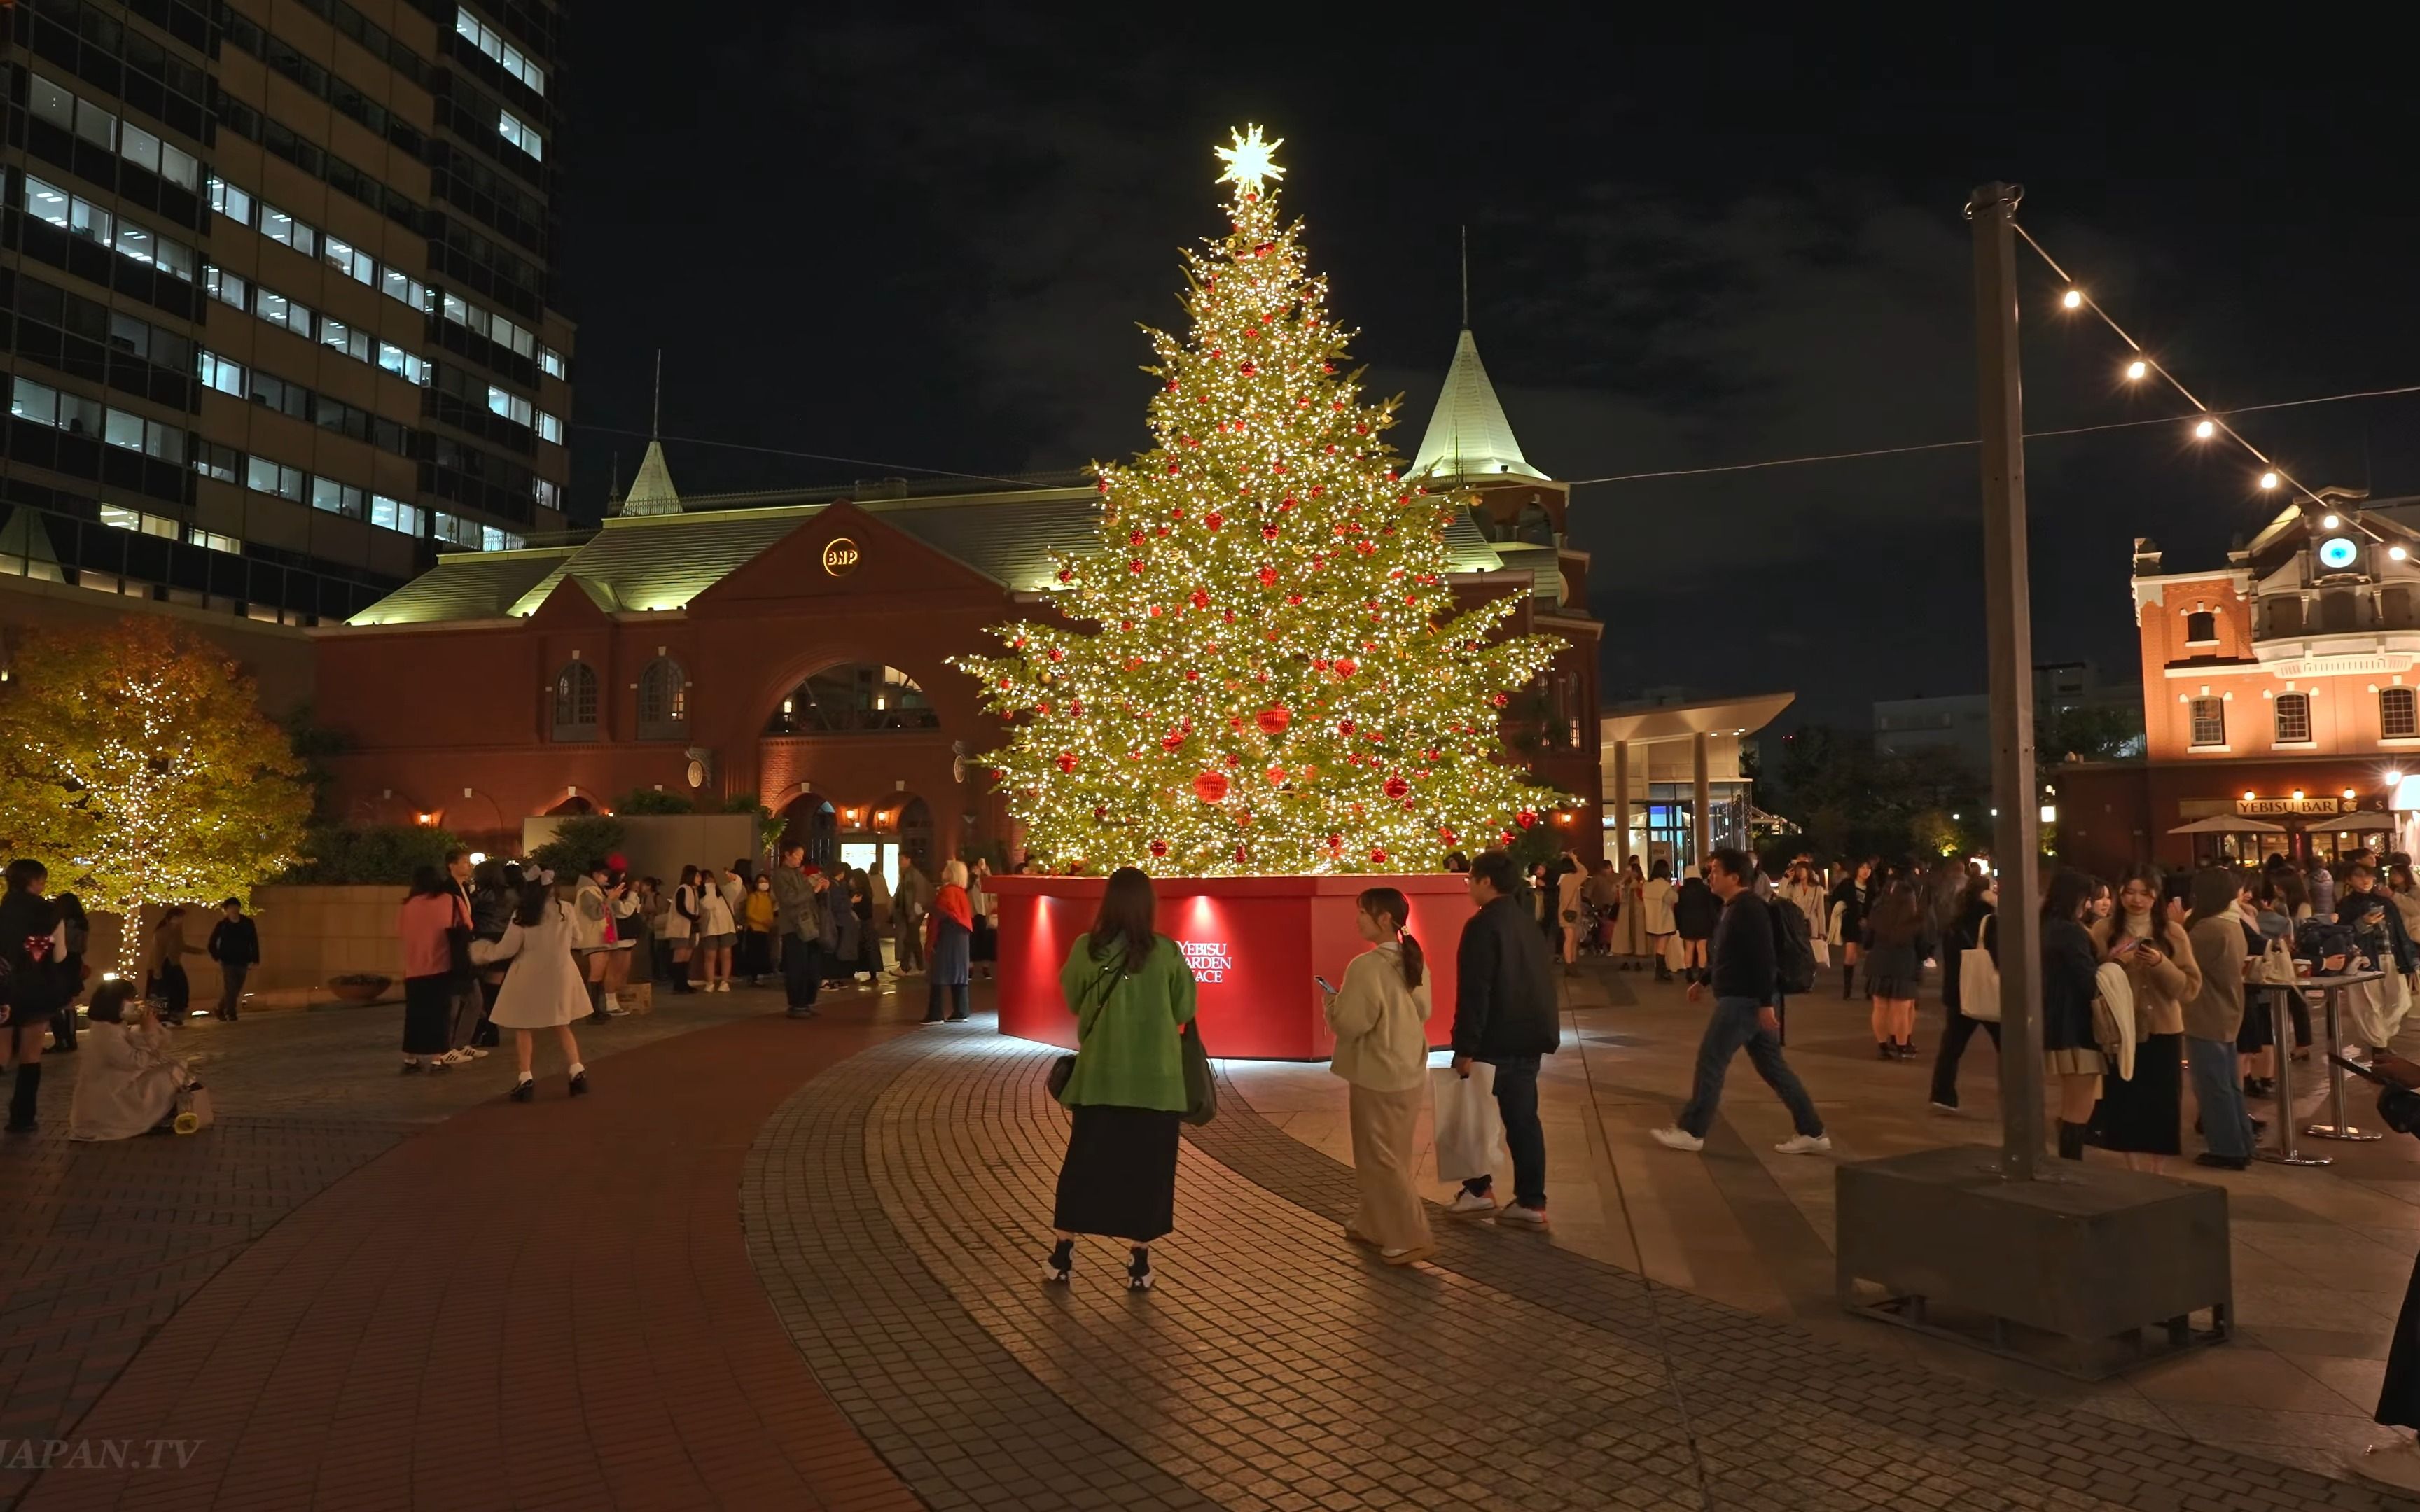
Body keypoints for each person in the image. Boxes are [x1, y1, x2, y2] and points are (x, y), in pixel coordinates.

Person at [1045, 867, 1199, 1293]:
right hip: (1157, 1084)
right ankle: (1139, 1261)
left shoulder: (1085, 949)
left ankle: (1062, 1252)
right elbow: (1184, 1010)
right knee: (1147, 1172)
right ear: (1148, 905)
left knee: (1085, 1164)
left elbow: (1075, 1000)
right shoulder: (1166, 952)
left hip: (1099, 1080)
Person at [1651, 848, 1831, 1156]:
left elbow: (1764, 959)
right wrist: (1704, 981)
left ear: (1734, 877)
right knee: (1773, 1067)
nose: (1711, 877)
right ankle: (1812, 1131)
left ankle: (1692, 1131)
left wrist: (1764, 1004)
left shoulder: (1749, 909)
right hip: (1749, 999)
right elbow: (1729, 954)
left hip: (1744, 1001)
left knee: (1711, 1061)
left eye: (1716, 872)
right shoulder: (1734, 907)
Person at [1445, 850, 1561, 1227]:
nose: (1468, 887)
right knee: (1524, 1120)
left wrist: (1465, 1046)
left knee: (1473, 1116)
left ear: (1485, 881)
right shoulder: (1527, 922)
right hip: (1528, 1037)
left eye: (1471, 880)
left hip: (1493, 1040)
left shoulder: (1482, 926)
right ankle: (1531, 1200)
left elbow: (1475, 991)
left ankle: (1478, 1190)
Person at [1324, 886, 1434, 1266]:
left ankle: (1409, 1235)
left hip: (1377, 1072)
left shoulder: (1365, 966)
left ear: (1384, 919)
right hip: (1408, 1067)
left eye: (1362, 913)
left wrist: (1332, 1002)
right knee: (1390, 1154)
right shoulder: (1412, 959)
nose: (1357, 920)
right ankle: (1373, 1222)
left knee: (1380, 1157)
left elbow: (1351, 1024)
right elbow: (1424, 1009)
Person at [2089, 867, 2197, 1175]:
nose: (2136, 900)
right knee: (2125, 1102)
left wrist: (2161, 964)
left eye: (2145, 893)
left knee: (2161, 1104)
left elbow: (2190, 988)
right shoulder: (2104, 931)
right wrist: (2114, 962)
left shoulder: (2173, 933)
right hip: (2121, 1031)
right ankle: (2132, 1169)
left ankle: (2157, 1171)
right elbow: (2091, 979)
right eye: (2129, 892)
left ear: (2156, 896)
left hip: (2164, 1029)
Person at [471, 873, 591, 1101]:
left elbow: (507, 949)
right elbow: (578, 939)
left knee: (524, 1027)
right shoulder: (566, 908)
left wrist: (483, 952)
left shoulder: (524, 914)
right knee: (562, 1023)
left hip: (528, 974)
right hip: (561, 972)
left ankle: (525, 1079)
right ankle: (577, 1072)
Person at [2031, 869, 2109, 1162]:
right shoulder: (2070, 931)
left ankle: (2068, 1163)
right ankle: (2071, 1164)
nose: (2090, 905)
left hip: (2058, 1020)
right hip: (2077, 1024)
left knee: (2072, 1100)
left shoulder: (2046, 926)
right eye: (2088, 899)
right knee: (2080, 1103)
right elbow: (2087, 980)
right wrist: (2112, 966)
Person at [2184, 867, 2257, 1170]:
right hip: (2226, 1013)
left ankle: (2227, 1150)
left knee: (2213, 1085)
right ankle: (2241, 1143)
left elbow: (2182, 964)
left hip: (2207, 1015)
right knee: (2228, 1084)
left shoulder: (2209, 929)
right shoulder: (2232, 924)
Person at [67, 979, 197, 1140]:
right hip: (110, 1099)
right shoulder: (105, 1032)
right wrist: (148, 1032)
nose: (134, 1004)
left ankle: (163, 1115)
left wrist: (150, 1027)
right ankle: (158, 1116)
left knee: (174, 1067)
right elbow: (136, 1061)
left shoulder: (113, 1026)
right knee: (171, 1073)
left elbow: (147, 1050)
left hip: (115, 1089)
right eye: (130, 999)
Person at [1, 858, 65, 1133]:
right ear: (35, 881)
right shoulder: (48, 912)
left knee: (1, 1050)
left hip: (3, 987)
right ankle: (22, 1117)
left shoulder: (3, 910)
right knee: (30, 1054)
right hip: (35, 989)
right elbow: (58, 954)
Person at [1928, 873, 2001, 1114]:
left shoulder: (1956, 921)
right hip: (1988, 992)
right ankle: (2013, 1093)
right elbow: (1999, 958)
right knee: (2008, 1047)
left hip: (1959, 993)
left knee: (1951, 1047)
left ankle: (1942, 1094)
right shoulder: (1991, 920)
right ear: (1985, 892)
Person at [396, 866, 468, 1074]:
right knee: (440, 1013)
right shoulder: (451, 901)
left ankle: (410, 1058)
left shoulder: (408, 906)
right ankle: (437, 1059)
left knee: (415, 1014)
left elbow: (401, 932)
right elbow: (467, 926)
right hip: (442, 964)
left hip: (414, 968)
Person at [1862, 879, 1926, 1061]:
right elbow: (1923, 947)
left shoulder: (1877, 912)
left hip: (1878, 963)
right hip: (1904, 965)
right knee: (1901, 1008)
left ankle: (1882, 1047)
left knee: (1880, 1007)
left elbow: (1867, 940)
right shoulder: (1915, 919)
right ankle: (1901, 1045)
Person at [770, 844, 825, 1018]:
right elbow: (789, 899)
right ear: (788, 855)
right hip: (793, 926)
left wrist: (820, 889)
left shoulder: (799, 874)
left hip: (809, 924)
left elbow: (806, 894)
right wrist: (813, 891)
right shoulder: (780, 874)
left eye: (802, 856)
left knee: (811, 966)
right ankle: (796, 1004)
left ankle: (807, 1001)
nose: (800, 859)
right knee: (797, 966)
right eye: (798, 856)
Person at [469, 859, 516, 1047]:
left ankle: (484, 1025)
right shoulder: (512, 895)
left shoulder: (479, 897)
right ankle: (492, 1029)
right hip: (504, 942)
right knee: (495, 988)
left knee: (480, 988)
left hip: (483, 941)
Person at [924, 860, 974, 1023]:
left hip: (947, 935)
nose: (942, 871)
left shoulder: (946, 892)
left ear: (951, 873)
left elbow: (940, 915)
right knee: (959, 972)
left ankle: (935, 1013)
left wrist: (931, 940)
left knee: (939, 973)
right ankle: (961, 1010)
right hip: (962, 937)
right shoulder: (962, 893)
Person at [205, 897, 258, 1022]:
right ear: (226, 910)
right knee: (231, 987)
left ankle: (220, 1008)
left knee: (236, 988)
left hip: (243, 959)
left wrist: (254, 959)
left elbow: (254, 941)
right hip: (227, 960)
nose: (234, 910)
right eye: (231, 908)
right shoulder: (222, 925)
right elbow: (212, 943)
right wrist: (217, 957)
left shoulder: (248, 923)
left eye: (236, 907)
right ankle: (231, 1013)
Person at [145, 906, 200, 1028]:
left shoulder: (177, 931)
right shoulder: (163, 932)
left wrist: (199, 951)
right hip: (164, 964)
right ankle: (163, 1016)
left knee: (179, 989)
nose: (180, 921)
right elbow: (159, 951)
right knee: (166, 991)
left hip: (173, 963)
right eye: (178, 918)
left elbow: (181, 946)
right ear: (171, 919)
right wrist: (157, 969)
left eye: (181, 918)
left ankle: (174, 1014)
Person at [50, 891, 89, 1052]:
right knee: (69, 1001)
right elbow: (83, 947)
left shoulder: (61, 922)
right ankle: (71, 1039)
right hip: (74, 961)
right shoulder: (82, 923)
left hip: (60, 961)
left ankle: (61, 1040)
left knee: (55, 1001)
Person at [1830, 860, 1871, 998]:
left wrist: (1867, 917)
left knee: (1869, 956)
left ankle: (1869, 989)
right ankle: (1847, 989)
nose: (1865, 870)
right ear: (1857, 869)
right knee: (1850, 955)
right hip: (1851, 923)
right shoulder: (1848, 884)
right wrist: (1844, 910)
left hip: (1868, 925)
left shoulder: (1873, 886)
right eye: (1862, 867)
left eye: (1868, 868)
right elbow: (1834, 898)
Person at [1671, 870, 1718, 986]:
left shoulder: (1682, 891)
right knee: (1702, 949)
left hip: (1687, 923)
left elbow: (1678, 909)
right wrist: (1714, 923)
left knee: (1689, 948)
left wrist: (1678, 924)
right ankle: (1701, 973)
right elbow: (1711, 908)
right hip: (1704, 923)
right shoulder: (1706, 890)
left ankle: (1689, 973)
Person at [695, 862, 737, 992]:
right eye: (706, 878)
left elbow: (736, 886)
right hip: (710, 929)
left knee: (726, 955)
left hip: (727, 927)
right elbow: (709, 905)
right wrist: (710, 888)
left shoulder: (724, 891)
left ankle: (725, 981)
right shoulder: (701, 895)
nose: (710, 880)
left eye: (711, 877)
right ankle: (710, 982)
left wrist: (733, 878)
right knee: (710, 956)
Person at [893, 855, 931, 977]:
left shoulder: (912, 875)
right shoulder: (908, 874)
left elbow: (917, 895)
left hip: (914, 913)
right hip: (912, 912)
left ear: (909, 860)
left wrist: (914, 913)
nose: (900, 862)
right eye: (899, 860)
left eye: (903, 859)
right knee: (913, 940)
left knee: (909, 940)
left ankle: (905, 967)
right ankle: (920, 966)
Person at [1640, 858, 1677, 981]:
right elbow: (1673, 899)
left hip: (1651, 921)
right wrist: (1675, 890)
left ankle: (1660, 971)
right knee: (1662, 948)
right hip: (1664, 921)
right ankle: (1661, 973)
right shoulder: (1665, 887)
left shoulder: (1647, 885)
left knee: (1657, 947)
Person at [665, 865, 700, 993]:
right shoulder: (683, 889)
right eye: (697, 875)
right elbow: (681, 908)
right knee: (680, 955)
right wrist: (693, 917)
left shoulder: (694, 890)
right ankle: (678, 984)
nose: (699, 878)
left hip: (691, 927)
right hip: (681, 927)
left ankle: (684, 983)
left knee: (687, 955)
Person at [740, 873, 778, 986]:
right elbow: (749, 913)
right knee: (754, 953)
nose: (764, 884)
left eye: (765, 881)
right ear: (756, 884)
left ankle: (758, 977)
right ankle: (752, 977)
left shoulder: (768, 898)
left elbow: (769, 912)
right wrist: (763, 921)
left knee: (762, 953)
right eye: (761, 881)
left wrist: (770, 922)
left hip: (765, 930)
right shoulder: (753, 896)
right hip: (755, 928)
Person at [1611, 857, 1648, 969]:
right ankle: (1625, 961)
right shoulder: (1624, 884)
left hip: (1638, 912)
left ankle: (1638, 962)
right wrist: (1623, 880)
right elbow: (1614, 890)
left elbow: (1643, 893)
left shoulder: (1642, 883)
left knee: (1639, 936)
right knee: (1625, 936)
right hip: (1625, 912)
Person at [1554, 851, 1587, 972]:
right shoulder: (1571, 878)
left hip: (1567, 912)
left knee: (1571, 939)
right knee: (1571, 939)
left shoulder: (1564, 879)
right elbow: (1584, 872)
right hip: (1570, 912)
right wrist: (1575, 859)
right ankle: (1570, 965)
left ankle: (1571, 965)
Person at [970, 857, 999, 981]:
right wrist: (973, 876)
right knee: (973, 941)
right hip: (974, 914)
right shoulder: (970, 883)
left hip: (986, 915)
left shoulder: (987, 882)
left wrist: (987, 874)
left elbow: (994, 894)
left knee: (987, 942)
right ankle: (970, 968)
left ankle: (985, 968)